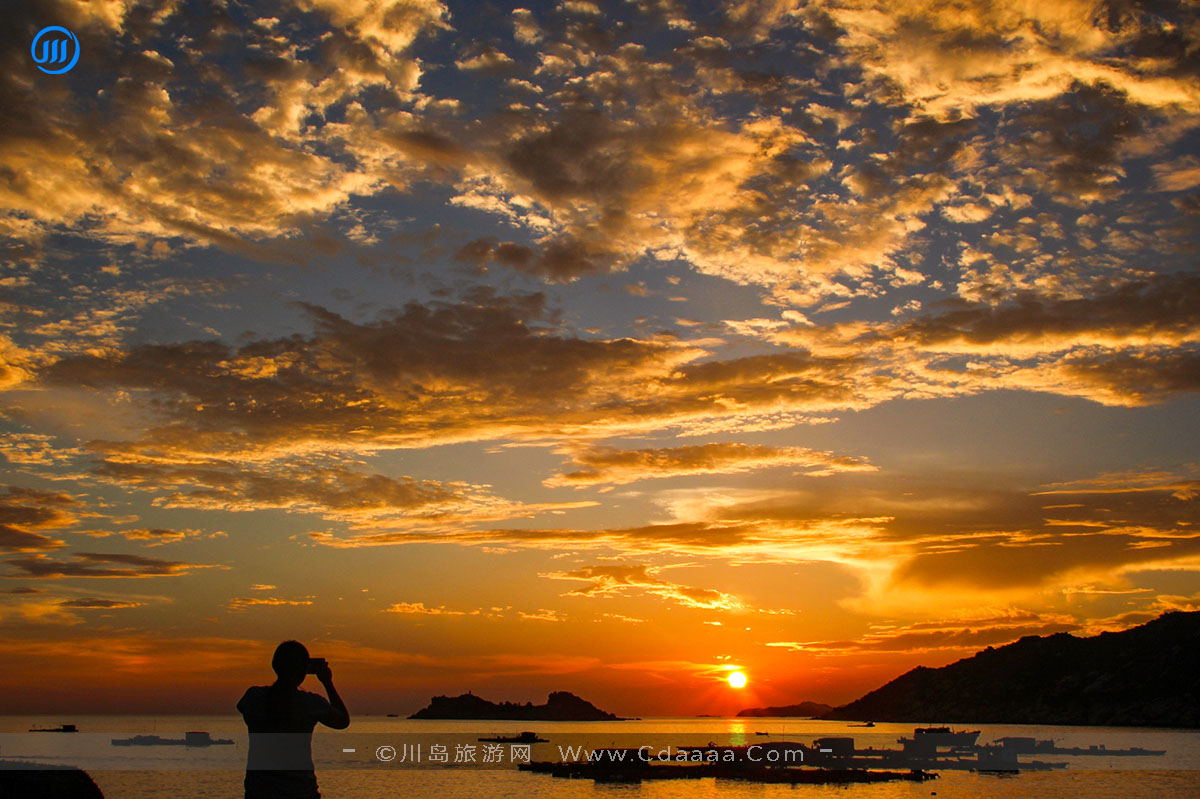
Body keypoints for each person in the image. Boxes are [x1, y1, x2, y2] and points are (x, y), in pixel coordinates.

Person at [238, 640, 350, 799]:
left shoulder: (253, 697)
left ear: (274, 665)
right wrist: (327, 682)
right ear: (304, 670)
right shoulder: (311, 704)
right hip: (300, 792)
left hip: (259, 792)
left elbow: (244, 707)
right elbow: (342, 721)